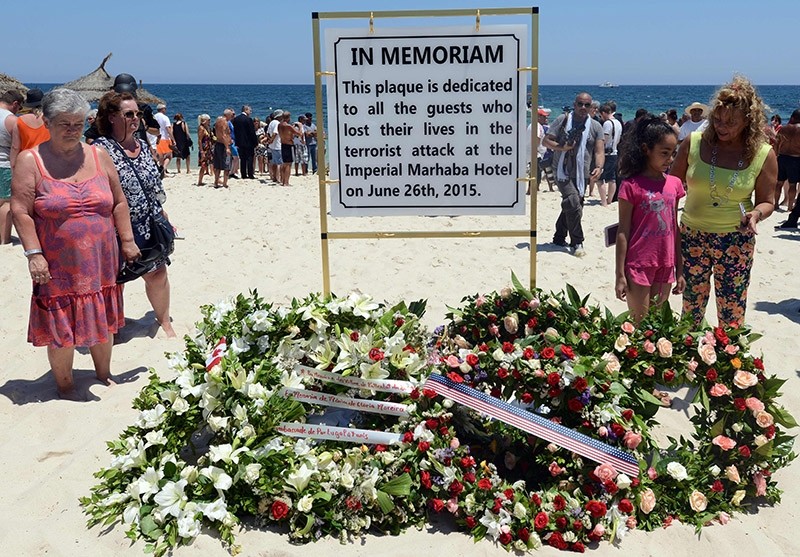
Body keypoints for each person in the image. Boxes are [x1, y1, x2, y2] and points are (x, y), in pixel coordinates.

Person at [10, 88, 140, 400]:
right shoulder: (31, 160)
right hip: (56, 264)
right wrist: (33, 253)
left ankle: (103, 373)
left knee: (103, 316)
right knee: (61, 325)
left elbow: (119, 203)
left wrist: (128, 240)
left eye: (78, 124)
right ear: (47, 123)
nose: (72, 130)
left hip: (101, 257)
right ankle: (65, 385)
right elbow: (20, 211)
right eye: (64, 124)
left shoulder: (98, 155)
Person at [670, 76, 777, 328]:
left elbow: (767, 201)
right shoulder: (693, 142)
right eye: (717, 119)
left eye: (731, 122)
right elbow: (671, 188)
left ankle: (728, 361)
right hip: (691, 235)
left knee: (731, 310)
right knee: (691, 307)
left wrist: (756, 215)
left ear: (748, 121)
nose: (721, 126)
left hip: (735, 240)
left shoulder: (764, 154)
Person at [93, 91, 177, 338]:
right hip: (115, 227)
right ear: (111, 117)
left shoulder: (142, 145)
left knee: (157, 273)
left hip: (149, 222)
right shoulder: (100, 150)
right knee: (115, 281)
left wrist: (164, 215)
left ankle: (163, 321)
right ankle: (114, 326)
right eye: (128, 114)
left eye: (137, 114)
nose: (135, 118)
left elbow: (154, 187)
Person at [615, 115, 685, 323]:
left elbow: (674, 228)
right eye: (664, 153)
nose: (670, 160)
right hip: (639, 263)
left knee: (657, 325)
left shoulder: (674, 184)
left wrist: (680, 269)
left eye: (673, 154)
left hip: (666, 263)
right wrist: (619, 274)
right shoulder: (631, 186)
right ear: (646, 149)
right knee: (639, 324)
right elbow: (623, 231)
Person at [542, 92, 604, 257]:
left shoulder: (596, 126)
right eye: (580, 104)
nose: (583, 108)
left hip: (582, 173)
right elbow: (546, 141)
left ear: (591, 107)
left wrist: (599, 166)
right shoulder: (562, 120)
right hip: (562, 170)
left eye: (587, 105)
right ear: (574, 104)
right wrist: (562, 148)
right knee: (573, 201)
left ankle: (559, 236)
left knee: (573, 206)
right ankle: (577, 241)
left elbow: (599, 150)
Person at [0, 89, 24, 244]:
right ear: (15, 104)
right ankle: (4, 238)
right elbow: (16, 147)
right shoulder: (12, 120)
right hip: (4, 163)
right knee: (6, 202)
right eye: (19, 107)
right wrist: (16, 167)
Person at [11, 88, 51, 167]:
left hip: (26, 162)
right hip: (47, 162)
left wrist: (13, 166)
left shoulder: (20, 120)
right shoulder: (51, 119)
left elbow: (15, 147)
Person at [773, 109, 800, 211]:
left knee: (779, 183)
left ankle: (775, 204)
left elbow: (776, 143)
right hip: (795, 159)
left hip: (782, 157)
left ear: (792, 117)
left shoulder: (783, 128)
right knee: (793, 184)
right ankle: (790, 207)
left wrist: (776, 155)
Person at [598, 103, 622, 206]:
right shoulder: (618, 123)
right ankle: (609, 200)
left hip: (607, 153)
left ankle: (604, 201)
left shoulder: (607, 123)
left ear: (603, 113)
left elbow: (605, 139)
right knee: (612, 178)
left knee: (600, 179)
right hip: (615, 152)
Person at [232, 105, 257, 179]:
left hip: (240, 142)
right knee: (249, 158)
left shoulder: (236, 119)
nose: (250, 112)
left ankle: (243, 174)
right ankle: (250, 174)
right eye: (250, 110)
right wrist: (255, 142)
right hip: (249, 142)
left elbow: (235, 131)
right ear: (246, 110)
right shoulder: (248, 119)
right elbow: (252, 132)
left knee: (242, 159)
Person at [153, 103, 174, 173]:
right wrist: (173, 139)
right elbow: (168, 129)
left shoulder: (154, 117)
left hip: (156, 138)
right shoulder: (165, 117)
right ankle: (163, 169)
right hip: (164, 138)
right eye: (165, 109)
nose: (165, 110)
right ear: (162, 109)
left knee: (160, 156)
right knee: (169, 156)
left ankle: (161, 171)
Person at [213, 113, 231, 188]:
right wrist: (227, 147)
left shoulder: (218, 120)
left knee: (218, 165)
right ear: (228, 115)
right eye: (232, 115)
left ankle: (216, 182)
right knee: (227, 165)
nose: (233, 116)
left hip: (218, 144)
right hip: (223, 145)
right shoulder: (224, 122)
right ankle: (224, 183)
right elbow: (224, 135)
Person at [196, 113, 213, 186]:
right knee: (203, 165)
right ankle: (200, 181)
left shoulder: (207, 128)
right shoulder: (201, 128)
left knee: (207, 164)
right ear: (205, 120)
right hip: (204, 149)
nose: (210, 121)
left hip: (208, 148)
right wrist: (201, 151)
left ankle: (201, 180)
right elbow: (199, 140)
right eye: (209, 120)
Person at [267, 109, 283, 183]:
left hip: (272, 146)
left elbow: (267, 133)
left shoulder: (271, 122)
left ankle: (274, 177)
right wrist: (272, 140)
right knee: (279, 163)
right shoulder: (277, 123)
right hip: (277, 145)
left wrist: (269, 141)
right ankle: (278, 178)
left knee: (273, 162)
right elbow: (275, 133)